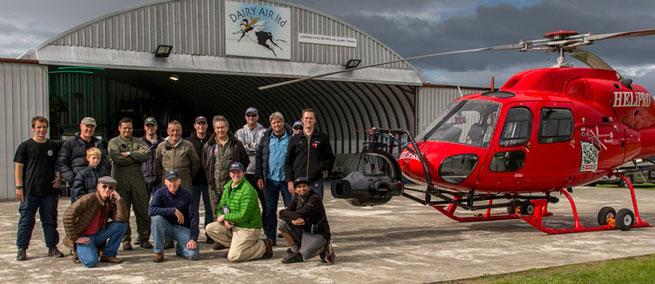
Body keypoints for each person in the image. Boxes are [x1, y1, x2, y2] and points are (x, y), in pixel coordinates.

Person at [14, 116, 65, 261]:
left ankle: (52, 247)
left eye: (44, 127)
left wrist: (59, 179)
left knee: (50, 221)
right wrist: (19, 187)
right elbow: (18, 167)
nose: (42, 130)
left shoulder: (53, 146)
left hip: (49, 192)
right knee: (26, 221)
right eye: (39, 127)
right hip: (30, 191)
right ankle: (22, 249)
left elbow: (60, 164)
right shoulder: (25, 146)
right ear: (33, 128)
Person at [205, 162, 272, 262]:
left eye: (238, 172)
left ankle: (263, 246)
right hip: (234, 226)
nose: (235, 175)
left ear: (243, 173)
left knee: (233, 257)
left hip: (248, 228)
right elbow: (220, 208)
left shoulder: (248, 190)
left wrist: (225, 217)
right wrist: (225, 220)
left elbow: (244, 215)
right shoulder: (228, 188)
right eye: (233, 172)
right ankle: (236, 246)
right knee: (210, 228)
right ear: (229, 174)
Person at [202, 115, 250, 250]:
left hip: (230, 187)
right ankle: (220, 240)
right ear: (214, 129)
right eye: (217, 128)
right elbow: (204, 163)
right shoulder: (209, 145)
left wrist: (237, 179)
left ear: (227, 128)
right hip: (214, 186)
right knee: (216, 212)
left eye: (222, 127)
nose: (220, 130)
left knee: (231, 212)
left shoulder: (235, 144)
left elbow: (244, 161)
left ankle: (234, 239)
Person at [63, 176, 129, 268]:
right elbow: (68, 216)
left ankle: (108, 254)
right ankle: (77, 250)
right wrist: (75, 238)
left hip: (97, 233)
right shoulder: (88, 199)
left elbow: (122, 219)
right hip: (83, 236)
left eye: (110, 188)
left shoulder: (110, 202)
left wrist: (119, 199)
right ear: (98, 187)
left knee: (121, 225)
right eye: (104, 186)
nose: (107, 189)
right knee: (91, 262)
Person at [108, 117, 152, 250]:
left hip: (137, 179)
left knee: (142, 209)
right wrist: (135, 156)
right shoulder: (113, 142)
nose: (127, 130)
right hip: (120, 179)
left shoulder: (139, 141)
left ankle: (144, 238)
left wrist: (127, 154)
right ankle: (125, 239)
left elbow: (146, 155)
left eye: (130, 128)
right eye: (125, 128)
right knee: (122, 210)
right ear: (119, 128)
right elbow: (116, 158)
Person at [255, 112, 293, 245]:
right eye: (274, 122)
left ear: (283, 122)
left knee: (290, 208)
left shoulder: (291, 137)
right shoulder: (266, 137)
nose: (277, 125)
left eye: (279, 122)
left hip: (286, 179)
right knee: (270, 209)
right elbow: (259, 157)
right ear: (271, 124)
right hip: (270, 179)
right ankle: (271, 237)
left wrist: (292, 179)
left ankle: (291, 235)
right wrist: (259, 176)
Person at [278, 177, 332, 264]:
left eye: (304, 186)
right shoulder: (296, 198)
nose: (302, 189)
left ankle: (323, 249)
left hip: (319, 234)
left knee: (306, 254)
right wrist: (292, 220)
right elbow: (289, 213)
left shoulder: (315, 198)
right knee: (283, 225)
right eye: (299, 187)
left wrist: (281, 213)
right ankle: (295, 251)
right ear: (295, 190)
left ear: (309, 188)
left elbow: (300, 214)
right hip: (305, 230)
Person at [149, 170, 200, 262]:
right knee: (156, 219)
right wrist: (172, 211)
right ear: (165, 182)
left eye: (175, 180)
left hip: (182, 229)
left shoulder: (187, 194)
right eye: (170, 181)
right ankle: (159, 252)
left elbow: (194, 217)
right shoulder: (160, 193)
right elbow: (151, 210)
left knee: (193, 255)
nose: (172, 183)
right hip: (166, 228)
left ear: (179, 181)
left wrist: (193, 239)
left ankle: (180, 249)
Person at [285, 108, 335, 198]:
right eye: (306, 118)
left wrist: (323, 169)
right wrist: (289, 181)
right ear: (302, 119)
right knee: (298, 210)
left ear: (315, 120)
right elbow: (288, 161)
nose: (308, 120)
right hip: (298, 183)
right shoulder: (295, 139)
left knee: (315, 209)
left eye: (311, 118)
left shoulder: (322, 138)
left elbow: (329, 157)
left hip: (315, 182)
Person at [234, 107, 267, 224]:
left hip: (261, 174)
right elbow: (240, 149)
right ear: (245, 117)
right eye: (249, 115)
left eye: (253, 115)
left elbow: (263, 149)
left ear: (257, 117)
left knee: (266, 203)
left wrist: (248, 147)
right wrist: (255, 147)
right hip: (245, 173)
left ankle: (267, 229)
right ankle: (247, 226)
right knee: (245, 202)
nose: (251, 117)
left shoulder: (265, 132)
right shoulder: (239, 132)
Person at [58, 117, 109, 187]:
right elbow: (62, 163)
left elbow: (104, 163)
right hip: (78, 185)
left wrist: (104, 177)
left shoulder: (99, 144)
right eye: (87, 126)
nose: (89, 129)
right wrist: (72, 178)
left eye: (92, 127)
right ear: (81, 126)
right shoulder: (70, 144)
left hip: (96, 185)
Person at [186, 116, 214, 243]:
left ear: (207, 126)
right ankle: (194, 234)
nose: (201, 126)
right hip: (194, 181)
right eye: (199, 124)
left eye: (203, 124)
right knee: (193, 209)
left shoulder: (212, 140)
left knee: (210, 209)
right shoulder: (189, 142)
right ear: (195, 126)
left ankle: (210, 234)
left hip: (209, 181)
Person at [155, 120, 200, 190]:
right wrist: (165, 174)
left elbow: (195, 163)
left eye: (177, 130)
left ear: (181, 131)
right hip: (167, 184)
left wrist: (186, 174)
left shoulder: (188, 145)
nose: (175, 133)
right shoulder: (161, 146)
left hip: (184, 183)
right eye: (172, 130)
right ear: (168, 131)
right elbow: (157, 164)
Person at [141, 117, 163, 198]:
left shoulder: (163, 143)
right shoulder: (138, 143)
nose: (150, 128)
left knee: (160, 206)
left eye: (152, 126)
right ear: (144, 127)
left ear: (156, 127)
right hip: (143, 180)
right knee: (142, 206)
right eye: (148, 126)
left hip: (159, 180)